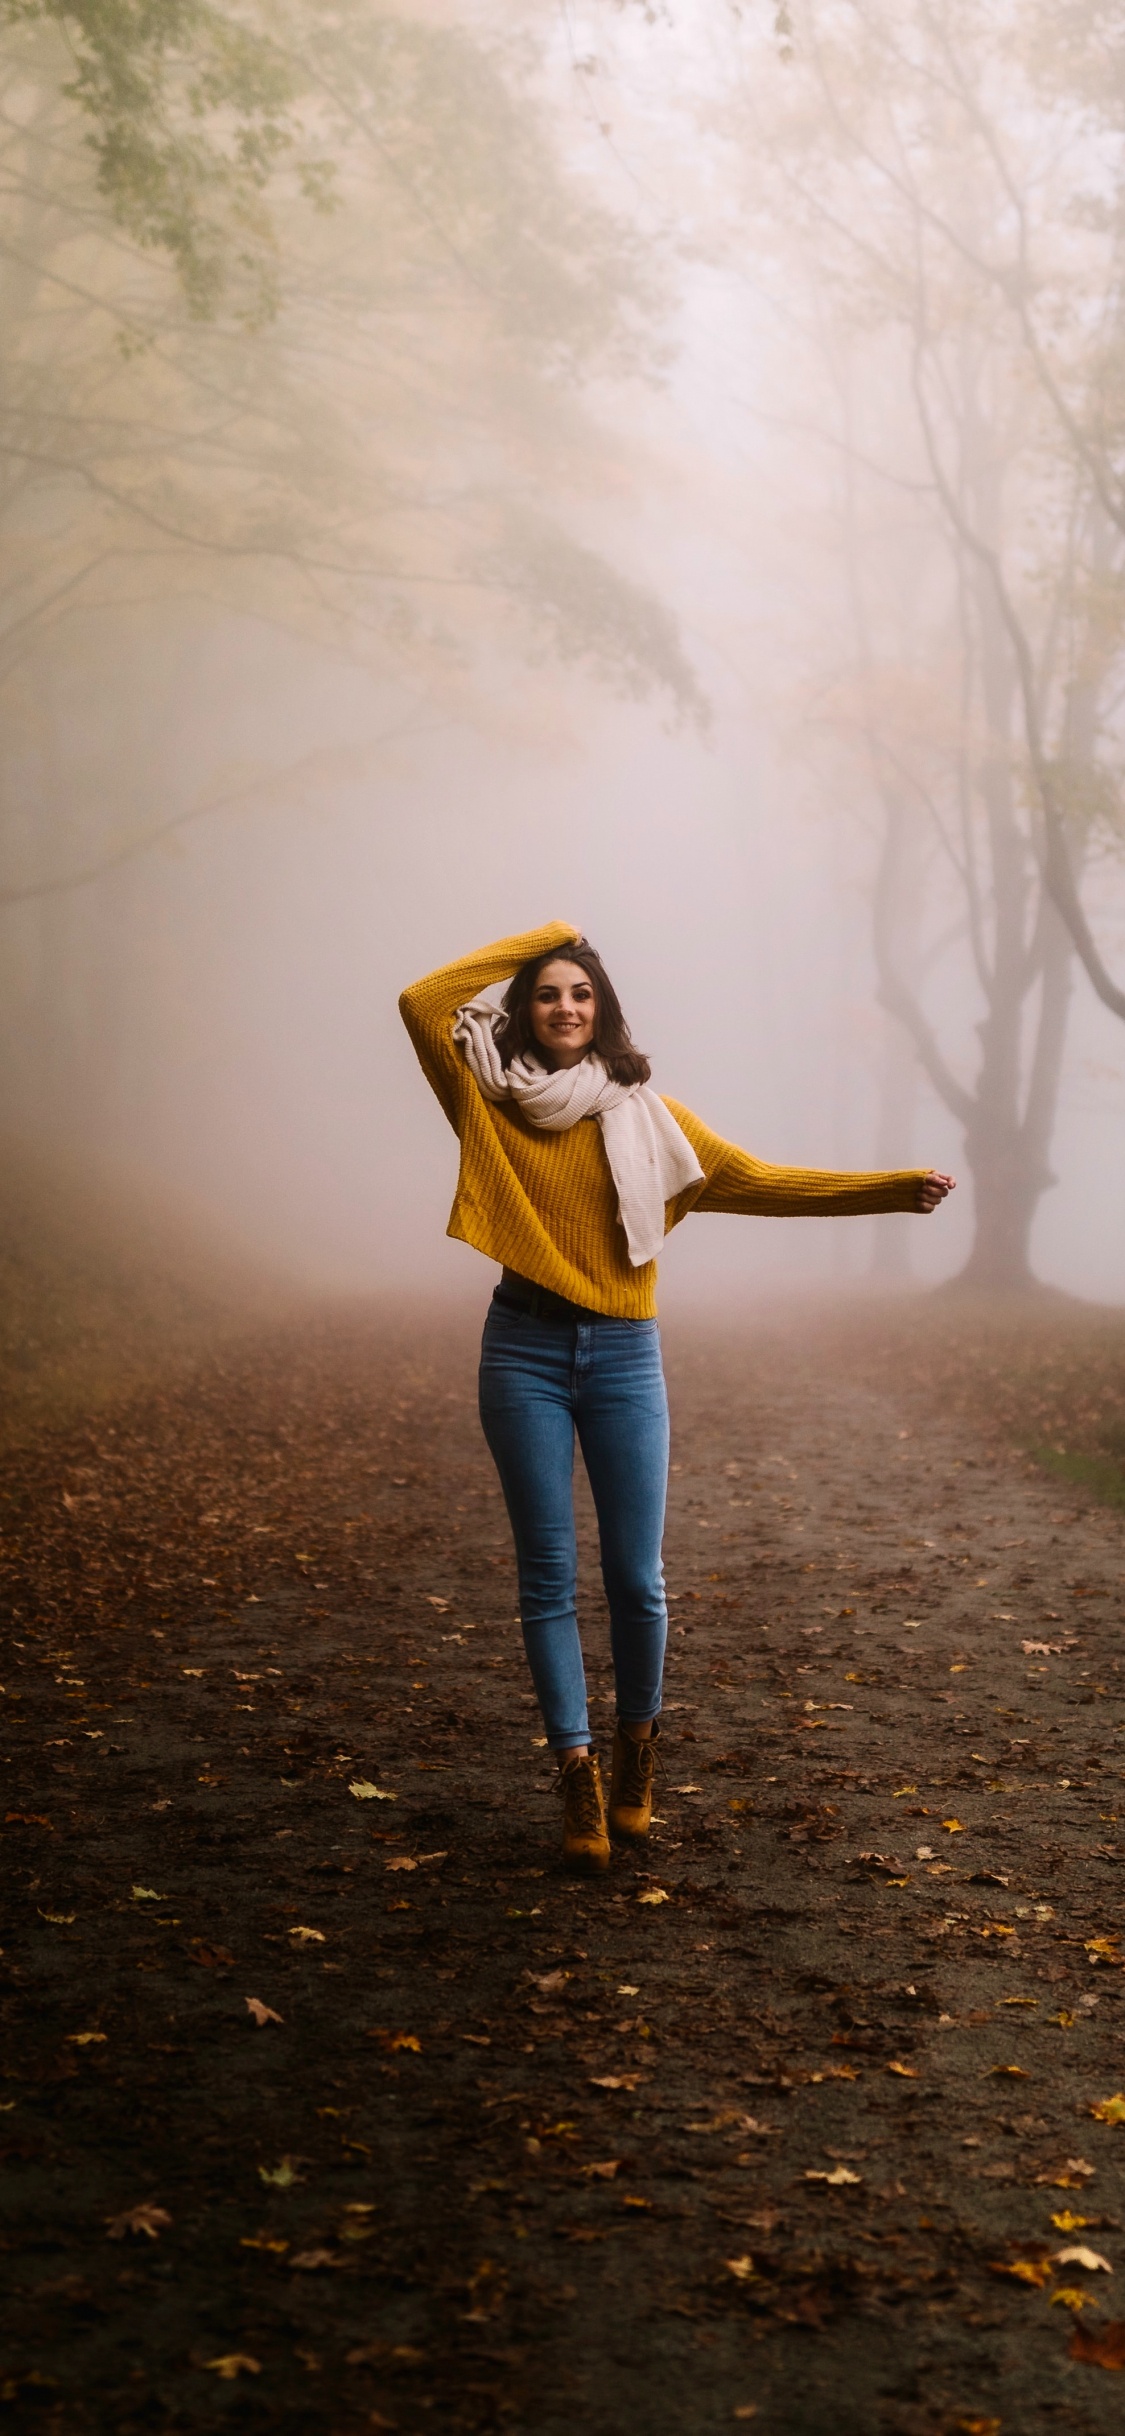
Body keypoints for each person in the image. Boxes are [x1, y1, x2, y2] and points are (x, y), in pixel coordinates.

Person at [399, 921, 955, 1875]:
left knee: (636, 1577)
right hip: (521, 1347)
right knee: (546, 1575)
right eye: (545, 993)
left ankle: (635, 1749)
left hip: (622, 1354)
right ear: (522, 1011)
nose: (564, 1006)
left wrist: (891, 1188)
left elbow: (759, 1180)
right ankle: (572, 1770)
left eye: (580, 992)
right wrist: (553, 934)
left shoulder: (648, 1117)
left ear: (604, 1010)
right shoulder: (486, 1098)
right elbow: (422, 1000)